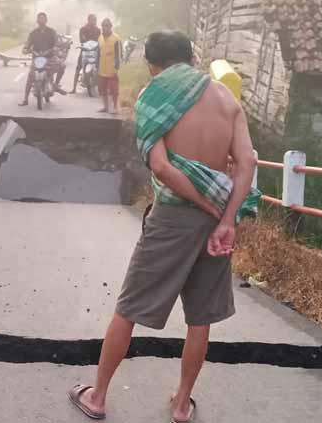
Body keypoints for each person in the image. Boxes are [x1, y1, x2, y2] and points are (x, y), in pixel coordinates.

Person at [68, 30, 260, 423]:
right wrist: (224, 218)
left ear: (153, 65)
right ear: (191, 58)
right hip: (216, 222)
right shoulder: (227, 99)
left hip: (172, 218)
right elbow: (247, 164)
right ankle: (180, 404)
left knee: (129, 308)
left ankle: (98, 397)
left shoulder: (154, 96)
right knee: (200, 317)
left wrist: (202, 203)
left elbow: (160, 167)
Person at [19, 12, 65, 107]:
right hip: (37, 58)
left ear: (46, 20)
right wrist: (25, 49)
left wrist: (56, 47)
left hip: (50, 57)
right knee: (31, 76)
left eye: (43, 18)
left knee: (62, 65)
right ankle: (25, 99)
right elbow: (27, 44)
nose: (41, 20)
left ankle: (56, 84)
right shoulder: (33, 33)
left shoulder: (51, 31)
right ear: (37, 21)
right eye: (40, 19)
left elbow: (57, 42)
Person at [71, 14, 101, 94]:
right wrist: (87, 44)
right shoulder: (83, 29)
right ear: (88, 20)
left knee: (97, 67)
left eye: (95, 20)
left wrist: (98, 47)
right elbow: (82, 40)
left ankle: (94, 87)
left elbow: (99, 41)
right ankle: (73, 88)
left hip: (94, 51)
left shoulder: (98, 30)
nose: (94, 22)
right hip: (85, 50)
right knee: (78, 67)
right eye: (93, 20)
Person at [97, 19, 122, 115]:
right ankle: (105, 107)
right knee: (102, 88)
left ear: (110, 27)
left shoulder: (116, 38)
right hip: (102, 67)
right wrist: (96, 65)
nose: (105, 28)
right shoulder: (100, 38)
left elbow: (119, 54)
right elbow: (98, 52)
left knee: (114, 90)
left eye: (107, 26)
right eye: (103, 26)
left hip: (112, 68)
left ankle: (115, 107)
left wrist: (117, 66)